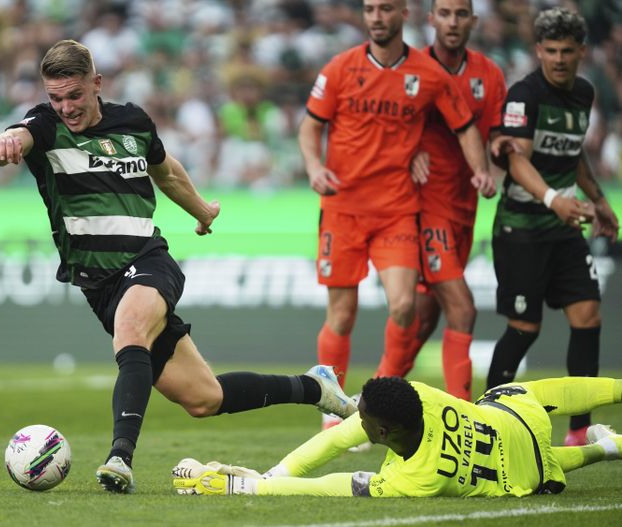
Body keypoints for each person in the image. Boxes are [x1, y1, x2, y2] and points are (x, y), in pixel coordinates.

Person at [0, 39, 358, 494]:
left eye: (75, 96)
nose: (66, 107)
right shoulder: (44, 127)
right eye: (56, 98)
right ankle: (315, 388)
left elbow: (166, 172)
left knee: (131, 330)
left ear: (96, 84)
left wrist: (201, 210)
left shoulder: (134, 123)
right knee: (205, 398)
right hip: (98, 286)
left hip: (147, 261)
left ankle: (120, 457)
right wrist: (3, 142)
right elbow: (16, 136)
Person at [298, 0, 495, 428]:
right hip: (343, 208)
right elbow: (310, 126)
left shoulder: (428, 75)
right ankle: (334, 410)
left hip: (397, 210)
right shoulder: (339, 68)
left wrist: (481, 171)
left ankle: (379, 396)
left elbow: (462, 127)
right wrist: (315, 168)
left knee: (405, 305)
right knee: (342, 313)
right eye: (370, 9)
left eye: (386, 9)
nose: (376, 16)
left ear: (403, 14)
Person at [486, 7, 619, 446]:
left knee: (588, 316)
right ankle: (490, 419)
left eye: (567, 51)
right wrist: (553, 199)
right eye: (551, 51)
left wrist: (599, 201)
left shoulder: (583, 92)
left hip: (564, 226)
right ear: (538, 50)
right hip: (522, 226)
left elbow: (572, 153)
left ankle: (579, 430)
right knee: (524, 328)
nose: (559, 59)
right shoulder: (526, 94)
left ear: (582, 51)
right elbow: (515, 159)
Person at [172, 375, 622, 497]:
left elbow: (334, 485)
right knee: (544, 397)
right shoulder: (417, 397)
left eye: (360, 416)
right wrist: (270, 476)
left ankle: (604, 448)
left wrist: (242, 485)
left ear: (384, 432)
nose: (353, 421)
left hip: (533, 478)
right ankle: (609, 442)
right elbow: (337, 441)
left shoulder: (420, 479)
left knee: (542, 459)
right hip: (519, 424)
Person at [374, 0, 507, 401]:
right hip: (424, 208)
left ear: (473, 20)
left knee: (425, 317)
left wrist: (499, 153)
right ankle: (466, 415)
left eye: (460, 14)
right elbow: (382, 128)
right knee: (462, 308)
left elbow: (498, 133)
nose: (452, 22)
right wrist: (408, 151)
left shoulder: (489, 74)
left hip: (465, 208)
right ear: (431, 19)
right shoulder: (412, 71)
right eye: (444, 14)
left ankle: (370, 403)